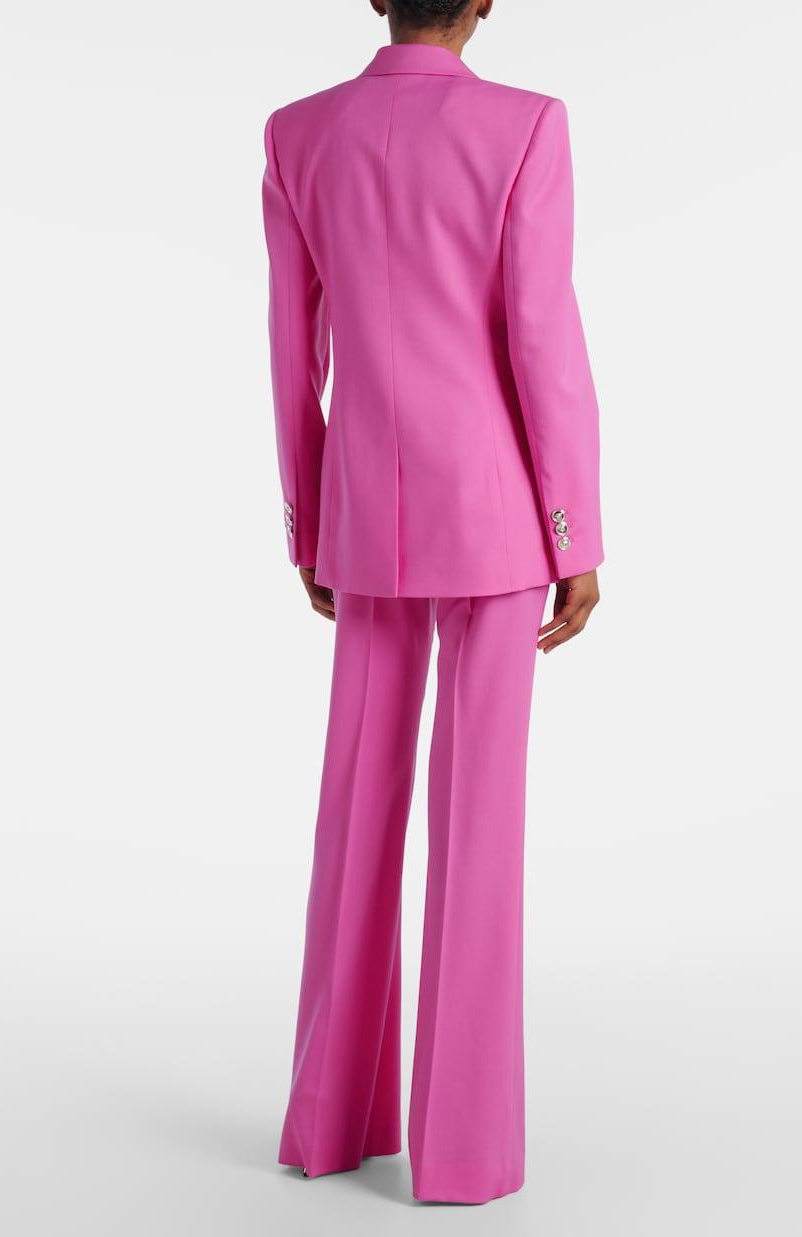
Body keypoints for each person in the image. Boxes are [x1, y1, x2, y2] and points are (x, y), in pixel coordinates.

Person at [262, 0, 603, 1205]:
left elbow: (290, 349)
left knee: (354, 808)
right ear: (483, 3)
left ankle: (330, 1121)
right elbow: (539, 340)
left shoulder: (300, 133)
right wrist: (572, 532)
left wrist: (308, 521)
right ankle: (460, 1150)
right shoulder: (524, 126)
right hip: (496, 517)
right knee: (477, 826)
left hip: (365, 512)